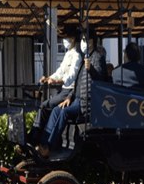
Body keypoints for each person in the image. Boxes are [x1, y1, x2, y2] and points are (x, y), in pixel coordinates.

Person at [37, 29, 108, 158]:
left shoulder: (97, 57)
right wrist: (69, 97)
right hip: (77, 99)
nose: (82, 42)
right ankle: (43, 143)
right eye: (82, 40)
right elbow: (78, 82)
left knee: (65, 113)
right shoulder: (85, 58)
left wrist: (90, 69)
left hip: (88, 102)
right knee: (57, 110)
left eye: (85, 40)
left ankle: (50, 147)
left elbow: (101, 80)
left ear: (91, 41)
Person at [28, 24, 83, 144]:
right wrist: (49, 78)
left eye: (66, 38)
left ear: (73, 38)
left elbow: (72, 76)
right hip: (64, 90)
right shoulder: (69, 53)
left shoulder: (78, 55)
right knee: (46, 107)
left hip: (70, 91)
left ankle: (34, 140)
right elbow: (61, 71)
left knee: (44, 106)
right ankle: (39, 139)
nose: (64, 41)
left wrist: (57, 81)